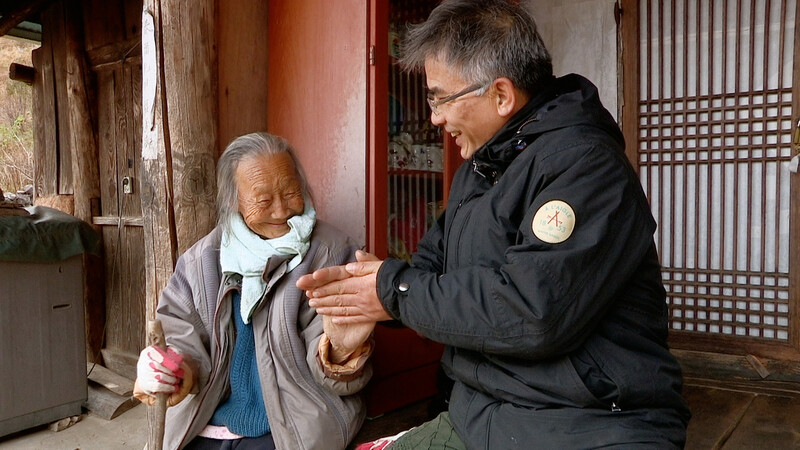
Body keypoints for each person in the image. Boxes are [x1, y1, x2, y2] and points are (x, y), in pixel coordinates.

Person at [297, 0, 691, 448]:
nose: (435, 117)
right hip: (479, 416)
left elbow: (531, 312)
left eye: (441, 97)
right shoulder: (480, 169)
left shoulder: (585, 167)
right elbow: (428, 270)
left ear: (501, 95)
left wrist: (392, 291)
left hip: (589, 425)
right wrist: (368, 294)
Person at [133, 132, 375, 450]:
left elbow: (336, 377)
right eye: (263, 200)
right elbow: (182, 339)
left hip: (290, 429)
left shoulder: (331, 254)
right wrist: (173, 369)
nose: (280, 211)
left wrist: (341, 353)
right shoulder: (201, 261)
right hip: (206, 421)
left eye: (291, 193)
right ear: (233, 202)